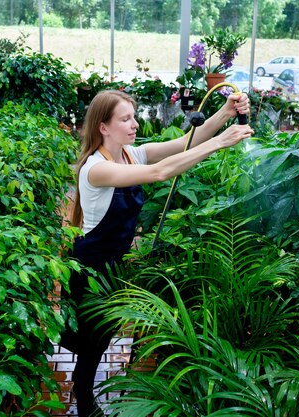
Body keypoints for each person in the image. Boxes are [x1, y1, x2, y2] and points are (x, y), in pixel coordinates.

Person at [59, 89, 253, 417]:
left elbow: (185, 144)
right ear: (104, 127)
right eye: (125, 119)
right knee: (91, 346)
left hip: (116, 267)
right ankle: (84, 403)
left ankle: (85, 395)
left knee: (102, 338)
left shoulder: (131, 154)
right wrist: (220, 142)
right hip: (90, 271)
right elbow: (159, 173)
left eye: (133, 117)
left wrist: (225, 112)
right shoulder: (95, 169)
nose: (134, 124)